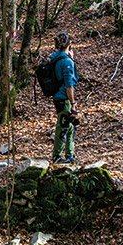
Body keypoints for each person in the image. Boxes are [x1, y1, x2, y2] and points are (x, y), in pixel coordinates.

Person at [51, 32, 78, 164]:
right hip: (64, 98)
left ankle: (69, 155)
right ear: (69, 44)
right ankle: (57, 157)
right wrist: (73, 103)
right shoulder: (66, 62)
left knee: (70, 126)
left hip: (58, 96)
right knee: (63, 126)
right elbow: (69, 85)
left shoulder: (55, 58)